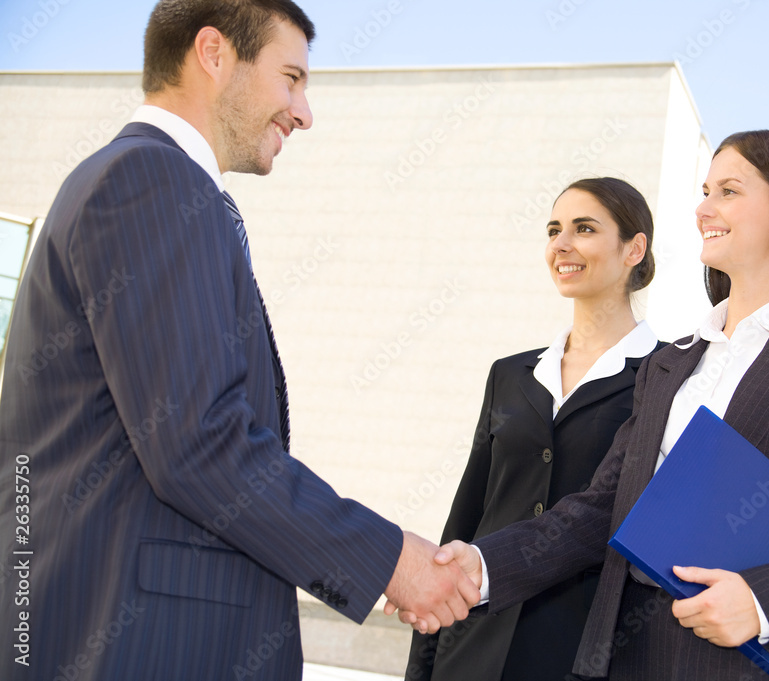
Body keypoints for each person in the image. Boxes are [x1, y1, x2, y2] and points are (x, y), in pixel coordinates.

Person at [0, 2, 476, 679]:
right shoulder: (151, 181)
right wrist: (390, 560)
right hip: (140, 648)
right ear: (214, 53)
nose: (303, 111)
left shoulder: (137, 183)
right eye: (291, 77)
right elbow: (197, 440)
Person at [401, 130, 769, 680]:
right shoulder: (672, 363)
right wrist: (482, 565)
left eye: (728, 191)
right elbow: (601, 509)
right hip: (629, 658)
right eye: (705, 191)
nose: (704, 208)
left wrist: (761, 603)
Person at [407, 178, 662, 681]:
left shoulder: (666, 377)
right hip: (474, 645)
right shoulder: (510, 373)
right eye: (554, 230)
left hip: (584, 653)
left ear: (634, 248)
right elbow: (467, 514)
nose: (561, 245)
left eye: (584, 228)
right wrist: (424, 663)